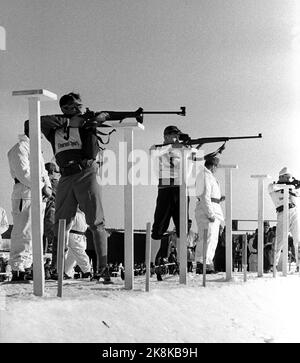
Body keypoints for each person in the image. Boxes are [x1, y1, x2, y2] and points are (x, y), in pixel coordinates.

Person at [40, 92, 112, 283]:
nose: (80, 108)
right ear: (65, 109)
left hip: (86, 171)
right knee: (61, 224)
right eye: (75, 106)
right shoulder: (54, 127)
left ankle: (102, 268)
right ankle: (56, 269)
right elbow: (35, 122)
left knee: (96, 222)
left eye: (80, 106)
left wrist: (91, 125)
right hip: (65, 176)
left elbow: (91, 151)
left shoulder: (85, 126)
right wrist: (73, 121)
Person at [149, 125, 200, 280]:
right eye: (173, 135)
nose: (177, 138)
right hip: (165, 188)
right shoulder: (157, 148)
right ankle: (151, 263)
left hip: (181, 189)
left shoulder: (185, 149)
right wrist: (174, 146)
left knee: (182, 228)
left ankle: (180, 262)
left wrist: (187, 146)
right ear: (166, 136)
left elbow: (194, 159)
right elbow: (154, 151)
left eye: (178, 136)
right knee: (158, 227)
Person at [7, 120, 52, 282]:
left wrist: (48, 186)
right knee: (23, 232)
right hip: (25, 194)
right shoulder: (19, 148)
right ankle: (18, 268)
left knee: (35, 233)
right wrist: (42, 186)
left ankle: (28, 266)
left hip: (38, 196)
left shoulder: (37, 151)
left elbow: (44, 172)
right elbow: (23, 173)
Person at [194, 156, 225, 274]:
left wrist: (218, 198)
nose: (216, 169)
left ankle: (207, 262)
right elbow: (204, 196)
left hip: (213, 208)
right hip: (207, 211)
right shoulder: (204, 175)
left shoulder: (209, 176)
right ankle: (202, 263)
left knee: (212, 238)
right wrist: (210, 213)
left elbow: (209, 195)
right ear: (212, 166)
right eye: (216, 167)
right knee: (207, 237)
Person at [268, 167, 300, 271]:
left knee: (297, 240)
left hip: (293, 212)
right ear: (281, 177)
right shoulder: (274, 186)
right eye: (287, 177)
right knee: (279, 241)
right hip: (282, 213)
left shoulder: (291, 187)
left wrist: (294, 186)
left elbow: (297, 192)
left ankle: (299, 265)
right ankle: (274, 265)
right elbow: (272, 188)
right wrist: (288, 186)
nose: (289, 179)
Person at [64, 208, 92, 279]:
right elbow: (67, 228)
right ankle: (87, 271)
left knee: (72, 257)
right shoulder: (73, 214)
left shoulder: (83, 214)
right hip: (74, 236)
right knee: (80, 254)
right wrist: (65, 241)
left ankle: (66, 272)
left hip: (81, 236)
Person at [43, 162, 60, 254]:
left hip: (42, 208)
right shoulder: (56, 183)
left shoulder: (41, 181)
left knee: (41, 233)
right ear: (52, 171)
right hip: (52, 208)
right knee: (52, 233)